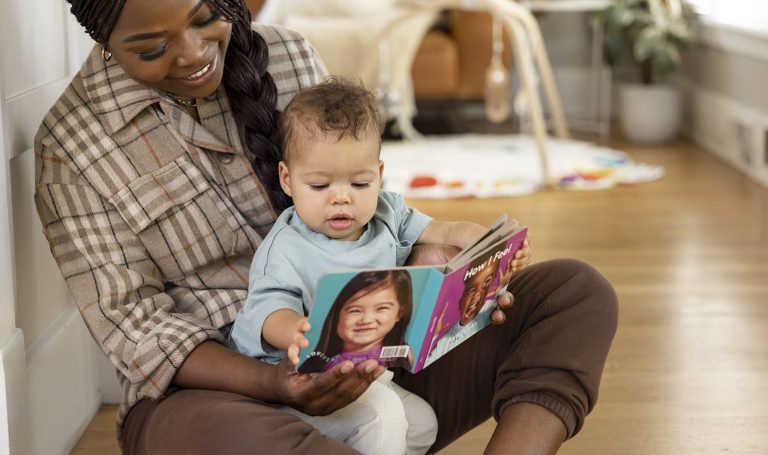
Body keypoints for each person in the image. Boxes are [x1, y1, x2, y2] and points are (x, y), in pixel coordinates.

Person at [34, 1, 618, 454]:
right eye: (152, 46)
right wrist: (278, 385)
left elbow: (363, 196)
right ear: (103, 40)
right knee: (235, 440)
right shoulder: (71, 145)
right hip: (219, 397)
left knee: (575, 293)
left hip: (373, 361)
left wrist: (442, 273)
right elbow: (138, 334)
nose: (190, 54)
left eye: (205, 17)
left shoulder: (287, 56)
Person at [228, 77, 499, 454]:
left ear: (379, 174)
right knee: (383, 415)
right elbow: (268, 312)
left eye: (359, 183)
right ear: (287, 180)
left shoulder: (388, 212)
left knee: (423, 425)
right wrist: (304, 331)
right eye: (320, 186)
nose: (341, 199)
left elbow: (444, 229)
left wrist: (480, 239)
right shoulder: (285, 248)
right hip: (298, 385)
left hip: (369, 369)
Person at [304, 270, 416, 372]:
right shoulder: (319, 361)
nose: (366, 320)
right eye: (355, 310)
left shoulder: (399, 358)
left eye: (381, 308)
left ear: (399, 313)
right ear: (337, 315)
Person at [424, 244, 503, 366]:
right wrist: (432, 337)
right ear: (459, 302)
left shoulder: (488, 308)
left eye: (486, 284)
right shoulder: (444, 341)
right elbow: (424, 361)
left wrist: (501, 290)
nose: (477, 295)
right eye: (472, 290)